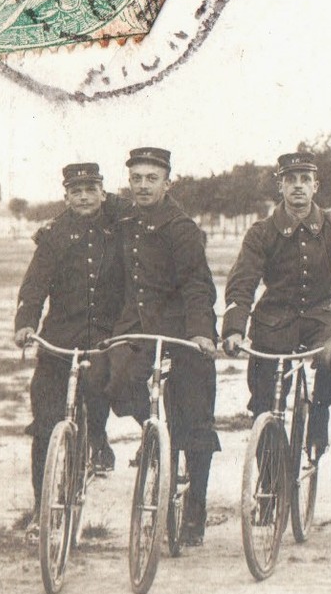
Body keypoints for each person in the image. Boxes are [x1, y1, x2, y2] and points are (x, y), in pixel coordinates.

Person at [105, 147, 221, 547]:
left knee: (197, 418)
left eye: (151, 178)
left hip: (183, 328)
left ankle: (196, 510)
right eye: (136, 178)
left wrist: (201, 333)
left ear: (167, 183)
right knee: (117, 385)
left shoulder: (180, 227)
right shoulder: (127, 220)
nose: (142, 185)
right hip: (137, 324)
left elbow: (196, 285)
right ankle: (159, 437)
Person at [221, 152, 331, 456]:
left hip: (321, 318)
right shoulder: (262, 231)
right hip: (273, 321)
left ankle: (320, 414)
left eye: (305, 180)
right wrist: (234, 329)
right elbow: (242, 281)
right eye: (290, 180)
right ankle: (269, 479)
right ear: (280, 187)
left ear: (316, 186)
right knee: (264, 402)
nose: (298, 186)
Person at [12, 162, 125, 531]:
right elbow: (34, 286)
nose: (84, 196)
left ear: (102, 193)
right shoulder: (53, 236)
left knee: (102, 384)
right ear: (66, 196)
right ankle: (41, 508)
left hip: (105, 337)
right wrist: (26, 324)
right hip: (59, 338)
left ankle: (97, 438)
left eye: (91, 189)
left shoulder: (118, 228)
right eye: (76, 191)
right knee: (45, 421)